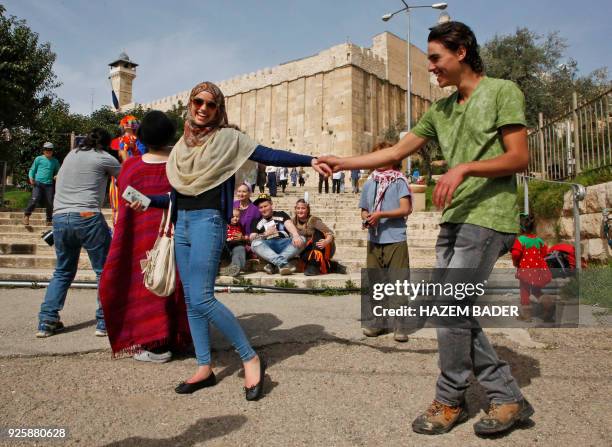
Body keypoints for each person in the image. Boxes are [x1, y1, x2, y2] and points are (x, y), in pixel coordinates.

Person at [319, 21, 533, 437]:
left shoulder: (502, 91)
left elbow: (519, 157)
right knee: (451, 311)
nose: (431, 68)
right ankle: (507, 396)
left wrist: (466, 167)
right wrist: (342, 162)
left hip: (490, 215)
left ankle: (451, 398)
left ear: (461, 53)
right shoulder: (440, 111)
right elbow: (397, 151)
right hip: (454, 219)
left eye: (436, 59)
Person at [162, 81, 329, 399]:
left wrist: (309, 160)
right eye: (198, 101)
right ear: (190, 103)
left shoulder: (228, 139)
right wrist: (159, 212)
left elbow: (267, 154)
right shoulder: (181, 146)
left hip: (208, 222)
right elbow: (175, 192)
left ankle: (249, 357)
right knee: (190, 300)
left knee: (202, 298)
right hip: (181, 224)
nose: (203, 108)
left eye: (211, 105)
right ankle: (204, 367)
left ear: (219, 110)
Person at [99, 111, 191, 363]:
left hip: (139, 238)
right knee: (174, 283)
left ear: (141, 137)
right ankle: (179, 337)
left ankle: (154, 342)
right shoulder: (180, 164)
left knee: (146, 286)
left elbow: (125, 200)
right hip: (176, 235)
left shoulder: (132, 166)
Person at [36, 128, 120, 338]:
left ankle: (47, 321)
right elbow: (127, 176)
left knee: (63, 271)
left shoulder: (70, 155)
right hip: (87, 216)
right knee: (103, 270)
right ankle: (103, 323)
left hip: (60, 218)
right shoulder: (104, 158)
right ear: (107, 144)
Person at [359, 142, 412, 342]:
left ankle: (400, 325)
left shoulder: (399, 181)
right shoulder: (369, 182)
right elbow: (364, 208)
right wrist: (367, 217)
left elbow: (405, 208)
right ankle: (378, 323)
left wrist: (381, 214)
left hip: (395, 238)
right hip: (374, 238)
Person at [510, 213, 552, 322]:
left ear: (521, 228)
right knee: (536, 291)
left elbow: (515, 254)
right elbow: (545, 252)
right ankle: (548, 306)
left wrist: (516, 262)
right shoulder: (538, 240)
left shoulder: (520, 240)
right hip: (537, 271)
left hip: (525, 271)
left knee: (524, 292)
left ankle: (526, 316)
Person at [249, 194, 305, 275]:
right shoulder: (256, 221)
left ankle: (272, 264)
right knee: (255, 244)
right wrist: (265, 234)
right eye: (261, 207)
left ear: (271, 204)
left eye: (265, 206)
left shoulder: (281, 214)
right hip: (267, 246)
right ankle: (283, 264)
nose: (263, 209)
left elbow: (289, 224)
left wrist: (296, 235)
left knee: (302, 239)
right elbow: (252, 238)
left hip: (284, 244)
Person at [292, 199, 342, 276]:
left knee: (317, 232)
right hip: (307, 248)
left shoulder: (313, 220)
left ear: (307, 209)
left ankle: (314, 266)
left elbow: (330, 233)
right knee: (301, 253)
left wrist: (326, 241)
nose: (300, 211)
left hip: (322, 246)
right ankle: (332, 266)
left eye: (303, 208)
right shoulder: (293, 222)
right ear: (295, 209)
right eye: (298, 208)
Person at [23, 142, 60, 226]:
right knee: (34, 199)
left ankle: (49, 220)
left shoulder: (55, 161)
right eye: (46, 150)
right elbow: (32, 169)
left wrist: (56, 175)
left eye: (50, 150)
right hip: (38, 183)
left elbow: (58, 171)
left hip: (49, 184)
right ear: (43, 150)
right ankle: (26, 215)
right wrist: (31, 177)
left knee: (50, 203)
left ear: (52, 151)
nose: (48, 151)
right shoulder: (38, 159)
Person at [220, 208, 247, 277]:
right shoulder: (224, 224)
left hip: (236, 246)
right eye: (233, 216)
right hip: (225, 246)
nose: (235, 218)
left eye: (237, 217)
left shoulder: (239, 226)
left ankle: (235, 268)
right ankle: (220, 269)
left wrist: (242, 238)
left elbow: (244, 237)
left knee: (240, 248)